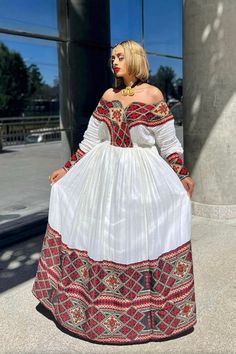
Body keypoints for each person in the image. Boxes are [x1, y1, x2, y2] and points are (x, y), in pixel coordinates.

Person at [32, 40, 197, 345]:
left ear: (135, 58)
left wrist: (182, 174)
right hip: (104, 173)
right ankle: (95, 309)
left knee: (138, 235)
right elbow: (90, 140)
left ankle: (147, 312)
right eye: (112, 58)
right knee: (106, 234)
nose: (114, 62)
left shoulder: (154, 96)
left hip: (142, 175)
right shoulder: (108, 96)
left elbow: (168, 144)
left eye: (120, 57)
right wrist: (67, 169)